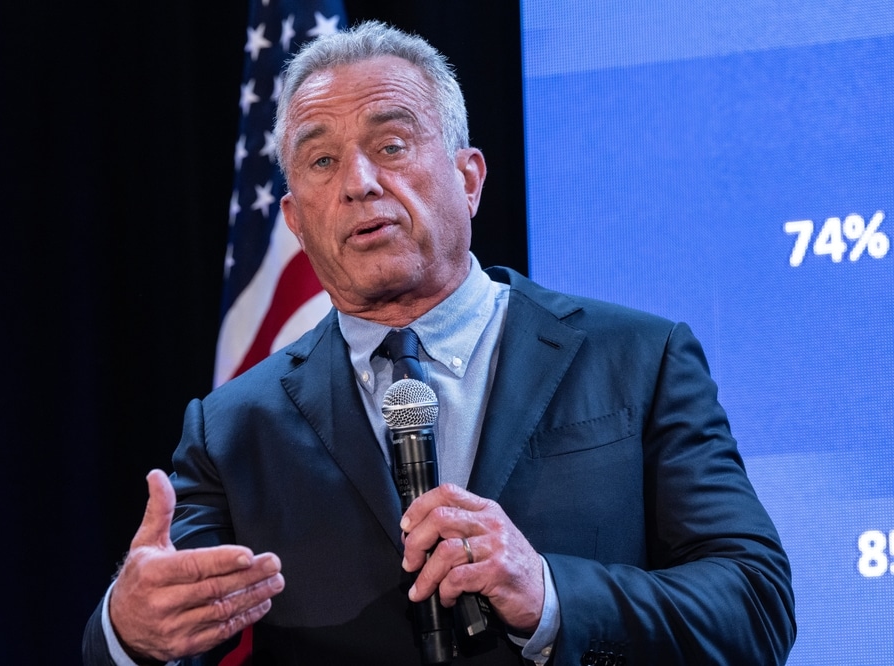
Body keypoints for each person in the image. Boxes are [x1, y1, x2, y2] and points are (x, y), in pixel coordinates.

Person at [83, 21, 796, 666]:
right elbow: (171, 619)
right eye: (323, 162)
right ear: (296, 223)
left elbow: (755, 607)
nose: (360, 183)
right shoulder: (233, 429)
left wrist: (550, 595)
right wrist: (129, 631)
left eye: (391, 144)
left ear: (469, 177)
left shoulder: (639, 359)